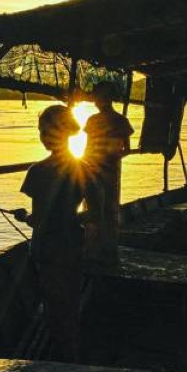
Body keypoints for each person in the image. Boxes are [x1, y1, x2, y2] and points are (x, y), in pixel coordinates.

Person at [19, 104, 87, 362]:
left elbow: (38, 220)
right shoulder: (82, 167)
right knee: (69, 306)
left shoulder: (38, 171)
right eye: (41, 131)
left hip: (47, 250)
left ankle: (63, 360)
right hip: (73, 246)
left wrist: (24, 216)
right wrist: (70, 218)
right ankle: (72, 354)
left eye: (45, 130)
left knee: (55, 310)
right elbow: (95, 212)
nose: (42, 136)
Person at [82, 82, 134, 264]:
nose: (97, 100)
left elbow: (126, 149)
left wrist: (108, 157)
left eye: (99, 96)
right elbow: (89, 147)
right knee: (103, 207)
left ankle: (101, 250)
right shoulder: (98, 120)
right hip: (99, 168)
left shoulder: (118, 121)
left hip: (103, 169)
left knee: (101, 207)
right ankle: (99, 249)